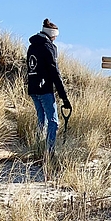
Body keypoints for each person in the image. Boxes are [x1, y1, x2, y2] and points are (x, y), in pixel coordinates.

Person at [26, 18, 71, 155]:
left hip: (33, 88)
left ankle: (38, 150)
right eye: (56, 37)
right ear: (52, 35)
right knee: (53, 122)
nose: (56, 39)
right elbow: (54, 73)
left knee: (42, 120)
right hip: (44, 89)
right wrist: (64, 97)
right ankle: (49, 152)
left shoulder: (32, 46)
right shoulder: (48, 47)